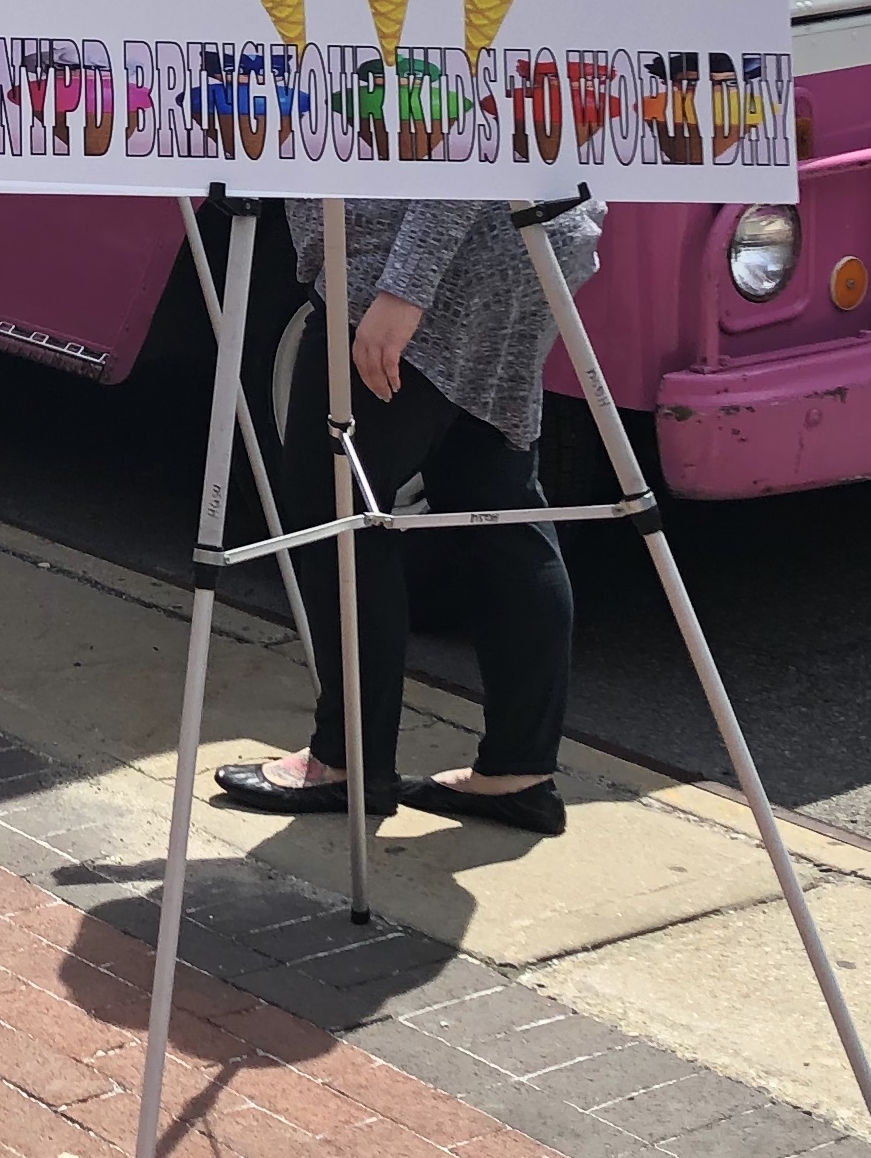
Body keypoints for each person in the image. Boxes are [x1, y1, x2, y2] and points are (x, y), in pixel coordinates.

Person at [210, 203, 605, 829]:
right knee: (494, 498)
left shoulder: (411, 267)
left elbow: (460, 128)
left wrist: (404, 290)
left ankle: (348, 761)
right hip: (525, 235)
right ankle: (516, 772)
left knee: (336, 510)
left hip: (415, 257)